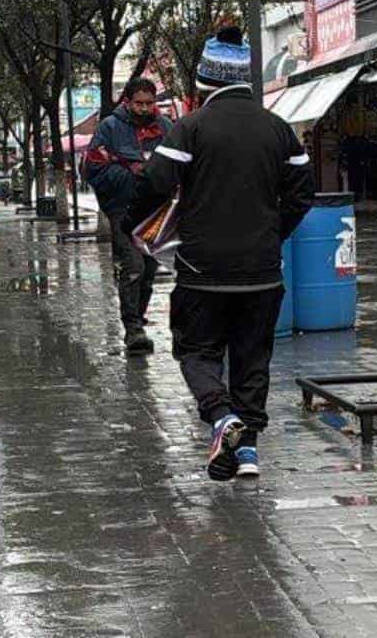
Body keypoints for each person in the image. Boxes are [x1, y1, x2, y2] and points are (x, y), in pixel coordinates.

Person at [126, 27, 314, 482]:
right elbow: (302, 195)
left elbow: (153, 184)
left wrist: (143, 228)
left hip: (201, 271)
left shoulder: (189, 129)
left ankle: (221, 417)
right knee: (253, 358)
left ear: (205, 82)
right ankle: (247, 451)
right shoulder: (279, 129)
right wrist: (272, 234)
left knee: (197, 351)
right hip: (262, 272)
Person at [85, 78, 173, 355]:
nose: (145, 108)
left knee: (148, 269)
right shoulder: (110, 128)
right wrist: (133, 175)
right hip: (122, 209)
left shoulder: (166, 127)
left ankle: (139, 319)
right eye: (139, 103)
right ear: (128, 101)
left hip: (155, 210)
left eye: (149, 103)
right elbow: (94, 170)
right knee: (133, 267)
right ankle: (133, 329)